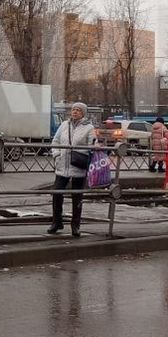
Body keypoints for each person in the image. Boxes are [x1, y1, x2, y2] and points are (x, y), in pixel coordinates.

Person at [49, 101, 96, 237]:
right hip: (62, 166)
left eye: (78, 110)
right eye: (74, 109)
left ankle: (75, 225)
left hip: (78, 166)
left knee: (77, 197)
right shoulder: (64, 125)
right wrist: (57, 155)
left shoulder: (89, 128)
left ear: (83, 113)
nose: (75, 112)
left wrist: (86, 153)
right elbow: (56, 141)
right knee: (57, 193)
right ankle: (57, 222)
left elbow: (92, 146)